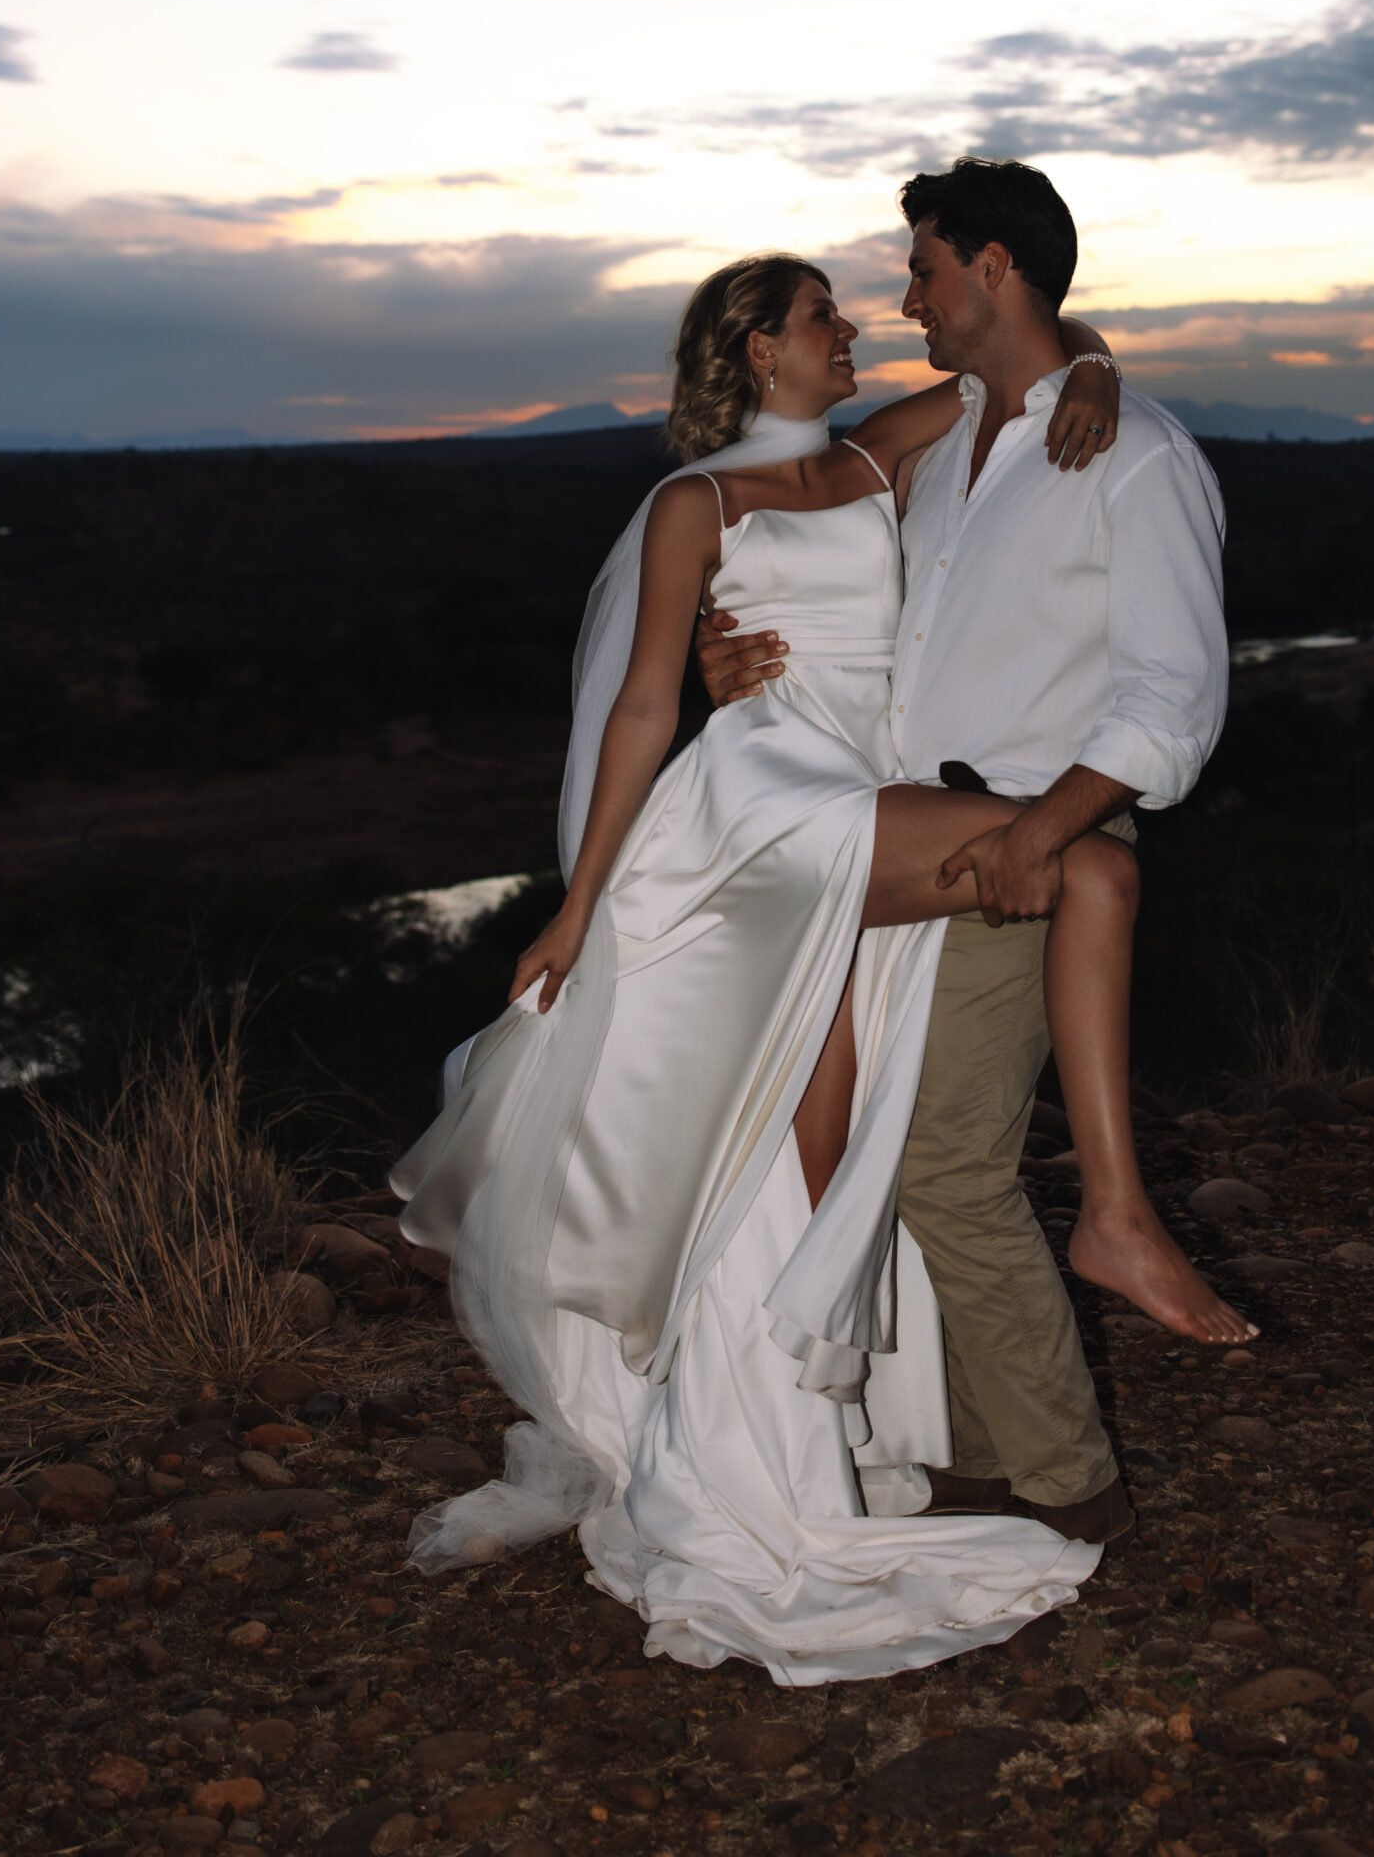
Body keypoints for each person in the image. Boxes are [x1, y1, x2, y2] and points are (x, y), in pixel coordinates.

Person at [392, 251, 1132, 1683]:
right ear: (753, 353)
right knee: (1074, 854)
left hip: (865, 797)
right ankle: (1108, 1220)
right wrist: (572, 906)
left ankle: (774, 1462)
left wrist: (1092, 363)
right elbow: (639, 711)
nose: (851, 332)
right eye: (820, 321)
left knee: (806, 1156)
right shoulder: (695, 503)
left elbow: (1011, 364)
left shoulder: (868, 464)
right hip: (768, 814)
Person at [699, 158, 1240, 1557]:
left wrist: (1044, 835)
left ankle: (1069, 1494)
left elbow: (1173, 700)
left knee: (945, 1168)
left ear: (994, 268)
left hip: (1026, 844)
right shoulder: (944, 448)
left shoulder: (1139, 454)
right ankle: (994, 1457)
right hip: (905, 849)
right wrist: (734, 656)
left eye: (925, 268)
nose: (905, 296)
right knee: (914, 1161)